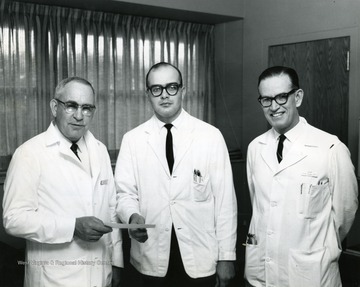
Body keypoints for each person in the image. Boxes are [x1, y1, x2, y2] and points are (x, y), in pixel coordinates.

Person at [114, 62, 237, 287]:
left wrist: (227, 256)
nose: (164, 95)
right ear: (148, 94)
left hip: (200, 257)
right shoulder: (133, 139)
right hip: (150, 257)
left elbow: (225, 202)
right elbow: (124, 193)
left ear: (183, 90)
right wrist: (132, 217)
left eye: (172, 87)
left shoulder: (210, 136)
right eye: (156, 89)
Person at [3, 77, 123, 287]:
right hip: (54, 278)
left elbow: (111, 209)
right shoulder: (29, 154)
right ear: (54, 107)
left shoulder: (100, 150)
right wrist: (72, 227)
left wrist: (116, 263)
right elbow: (14, 219)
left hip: (100, 275)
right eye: (71, 106)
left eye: (86, 108)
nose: (79, 115)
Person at [245, 66, 358, 287]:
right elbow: (259, 208)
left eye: (281, 97)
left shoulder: (330, 148)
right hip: (262, 272)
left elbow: (344, 214)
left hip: (312, 274)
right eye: (266, 99)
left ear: (297, 97)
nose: (274, 106)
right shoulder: (255, 148)